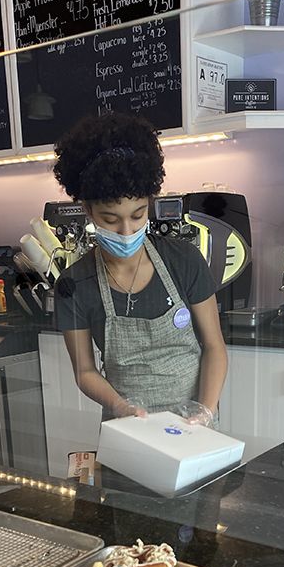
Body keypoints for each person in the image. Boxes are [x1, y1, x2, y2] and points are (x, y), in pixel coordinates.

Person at [53, 112, 228, 426]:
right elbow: (85, 371)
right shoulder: (75, 284)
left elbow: (215, 347)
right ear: (88, 210)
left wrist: (205, 411)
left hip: (194, 427)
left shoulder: (184, 260)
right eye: (110, 219)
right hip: (127, 426)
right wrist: (122, 408)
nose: (126, 231)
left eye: (137, 215)